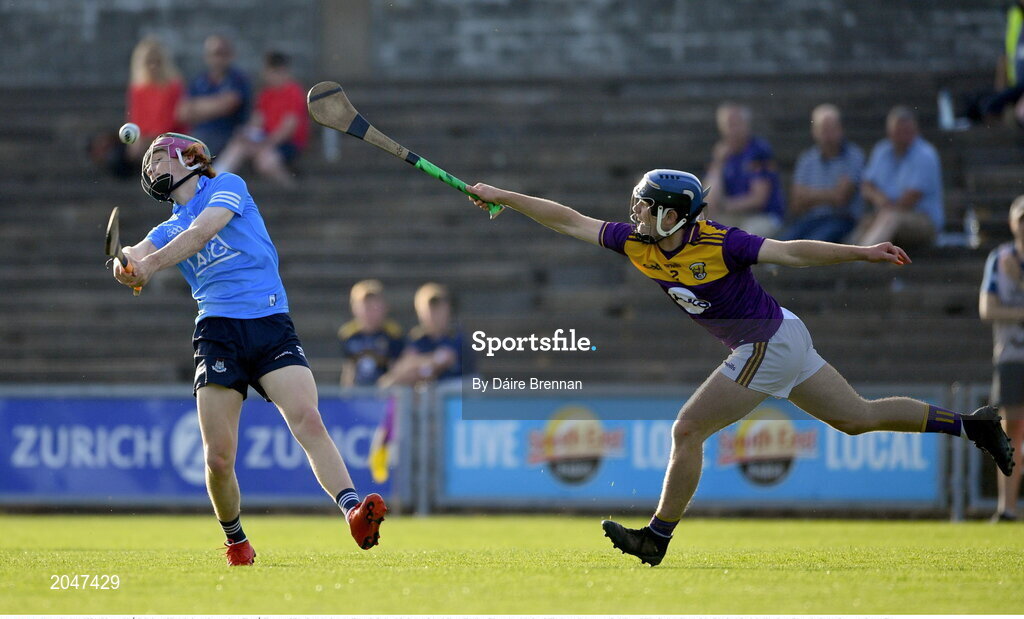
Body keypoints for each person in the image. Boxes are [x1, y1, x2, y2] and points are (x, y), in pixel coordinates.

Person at [465, 169, 1015, 567]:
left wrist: (861, 252)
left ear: (670, 214)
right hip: (783, 335)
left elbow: (794, 252)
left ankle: (657, 537)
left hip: (769, 341)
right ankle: (975, 425)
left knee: (687, 428)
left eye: (644, 206)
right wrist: (503, 197)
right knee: (859, 418)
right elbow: (568, 220)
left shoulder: (724, 243)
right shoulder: (636, 243)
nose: (634, 214)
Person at [111, 132, 387, 565]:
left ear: (188, 157)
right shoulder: (164, 229)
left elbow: (202, 232)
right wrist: (126, 264)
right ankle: (236, 539)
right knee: (219, 459)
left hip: (269, 322)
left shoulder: (227, 185)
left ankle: (353, 510)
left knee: (308, 419)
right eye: (146, 165)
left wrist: (146, 265)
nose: (149, 167)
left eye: (157, 158)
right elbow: (138, 254)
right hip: (218, 333)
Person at [979, 194, 1024, 523]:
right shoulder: (1000, 258)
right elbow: (987, 309)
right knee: (1012, 431)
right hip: (1011, 353)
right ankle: (1006, 508)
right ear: (1012, 223)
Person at [216, 51, 309, 185]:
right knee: (237, 146)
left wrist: (266, 144)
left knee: (265, 162)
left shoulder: (293, 91)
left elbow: (289, 127)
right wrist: (247, 134)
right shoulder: (265, 94)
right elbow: (257, 121)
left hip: (288, 143)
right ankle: (215, 181)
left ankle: (290, 187)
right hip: (266, 141)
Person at [856, 107, 944, 248]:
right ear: (890, 131)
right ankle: (847, 260)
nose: (903, 136)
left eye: (907, 132)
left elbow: (910, 199)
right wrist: (879, 199)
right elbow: (866, 186)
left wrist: (884, 208)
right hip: (887, 212)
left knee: (890, 219)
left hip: (923, 220)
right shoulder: (882, 151)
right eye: (899, 132)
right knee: (867, 222)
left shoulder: (925, 155)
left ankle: (862, 262)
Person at [782, 104, 864, 243]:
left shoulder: (854, 156)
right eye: (823, 129)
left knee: (813, 245)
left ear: (840, 129)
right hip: (810, 219)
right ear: (814, 131)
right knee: (783, 242)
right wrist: (831, 194)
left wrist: (809, 195)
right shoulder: (807, 159)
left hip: (842, 220)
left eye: (831, 129)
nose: (828, 135)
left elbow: (841, 198)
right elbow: (796, 203)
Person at [704, 102, 786, 238]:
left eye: (736, 123)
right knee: (705, 232)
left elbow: (758, 199)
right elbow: (709, 200)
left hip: (764, 216)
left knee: (744, 239)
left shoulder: (759, 151)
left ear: (746, 125)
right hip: (734, 216)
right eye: (728, 125)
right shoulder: (721, 154)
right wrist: (718, 164)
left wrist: (725, 205)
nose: (732, 130)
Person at [378, 283, 470, 388]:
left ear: (448, 309)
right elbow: (400, 371)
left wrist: (418, 366)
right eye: (430, 308)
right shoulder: (416, 339)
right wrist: (426, 365)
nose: (434, 314)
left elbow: (443, 361)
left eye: (439, 308)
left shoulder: (457, 337)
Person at [177, 35, 251, 157]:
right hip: (199, 134)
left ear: (230, 55)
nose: (217, 58)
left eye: (222, 53)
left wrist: (196, 106)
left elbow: (228, 105)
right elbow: (182, 113)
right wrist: (216, 104)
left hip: (227, 134)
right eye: (213, 54)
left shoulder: (238, 79)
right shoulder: (199, 80)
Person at [125, 37, 186, 165]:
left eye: (157, 62)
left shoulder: (174, 87)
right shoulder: (138, 89)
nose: (153, 67)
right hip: (147, 139)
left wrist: (149, 139)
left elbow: (171, 121)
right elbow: (136, 119)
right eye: (149, 62)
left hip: (170, 138)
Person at [338, 279, 404, 388]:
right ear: (354, 308)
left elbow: (396, 369)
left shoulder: (392, 334)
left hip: (383, 393)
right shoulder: (349, 335)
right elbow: (349, 369)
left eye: (374, 306)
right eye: (365, 307)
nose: (370, 312)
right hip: (358, 393)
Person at [982, 0, 1024, 125]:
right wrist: (1000, 87)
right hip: (1016, 83)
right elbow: (1006, 53)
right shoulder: (1015, 15)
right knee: (989, 106)